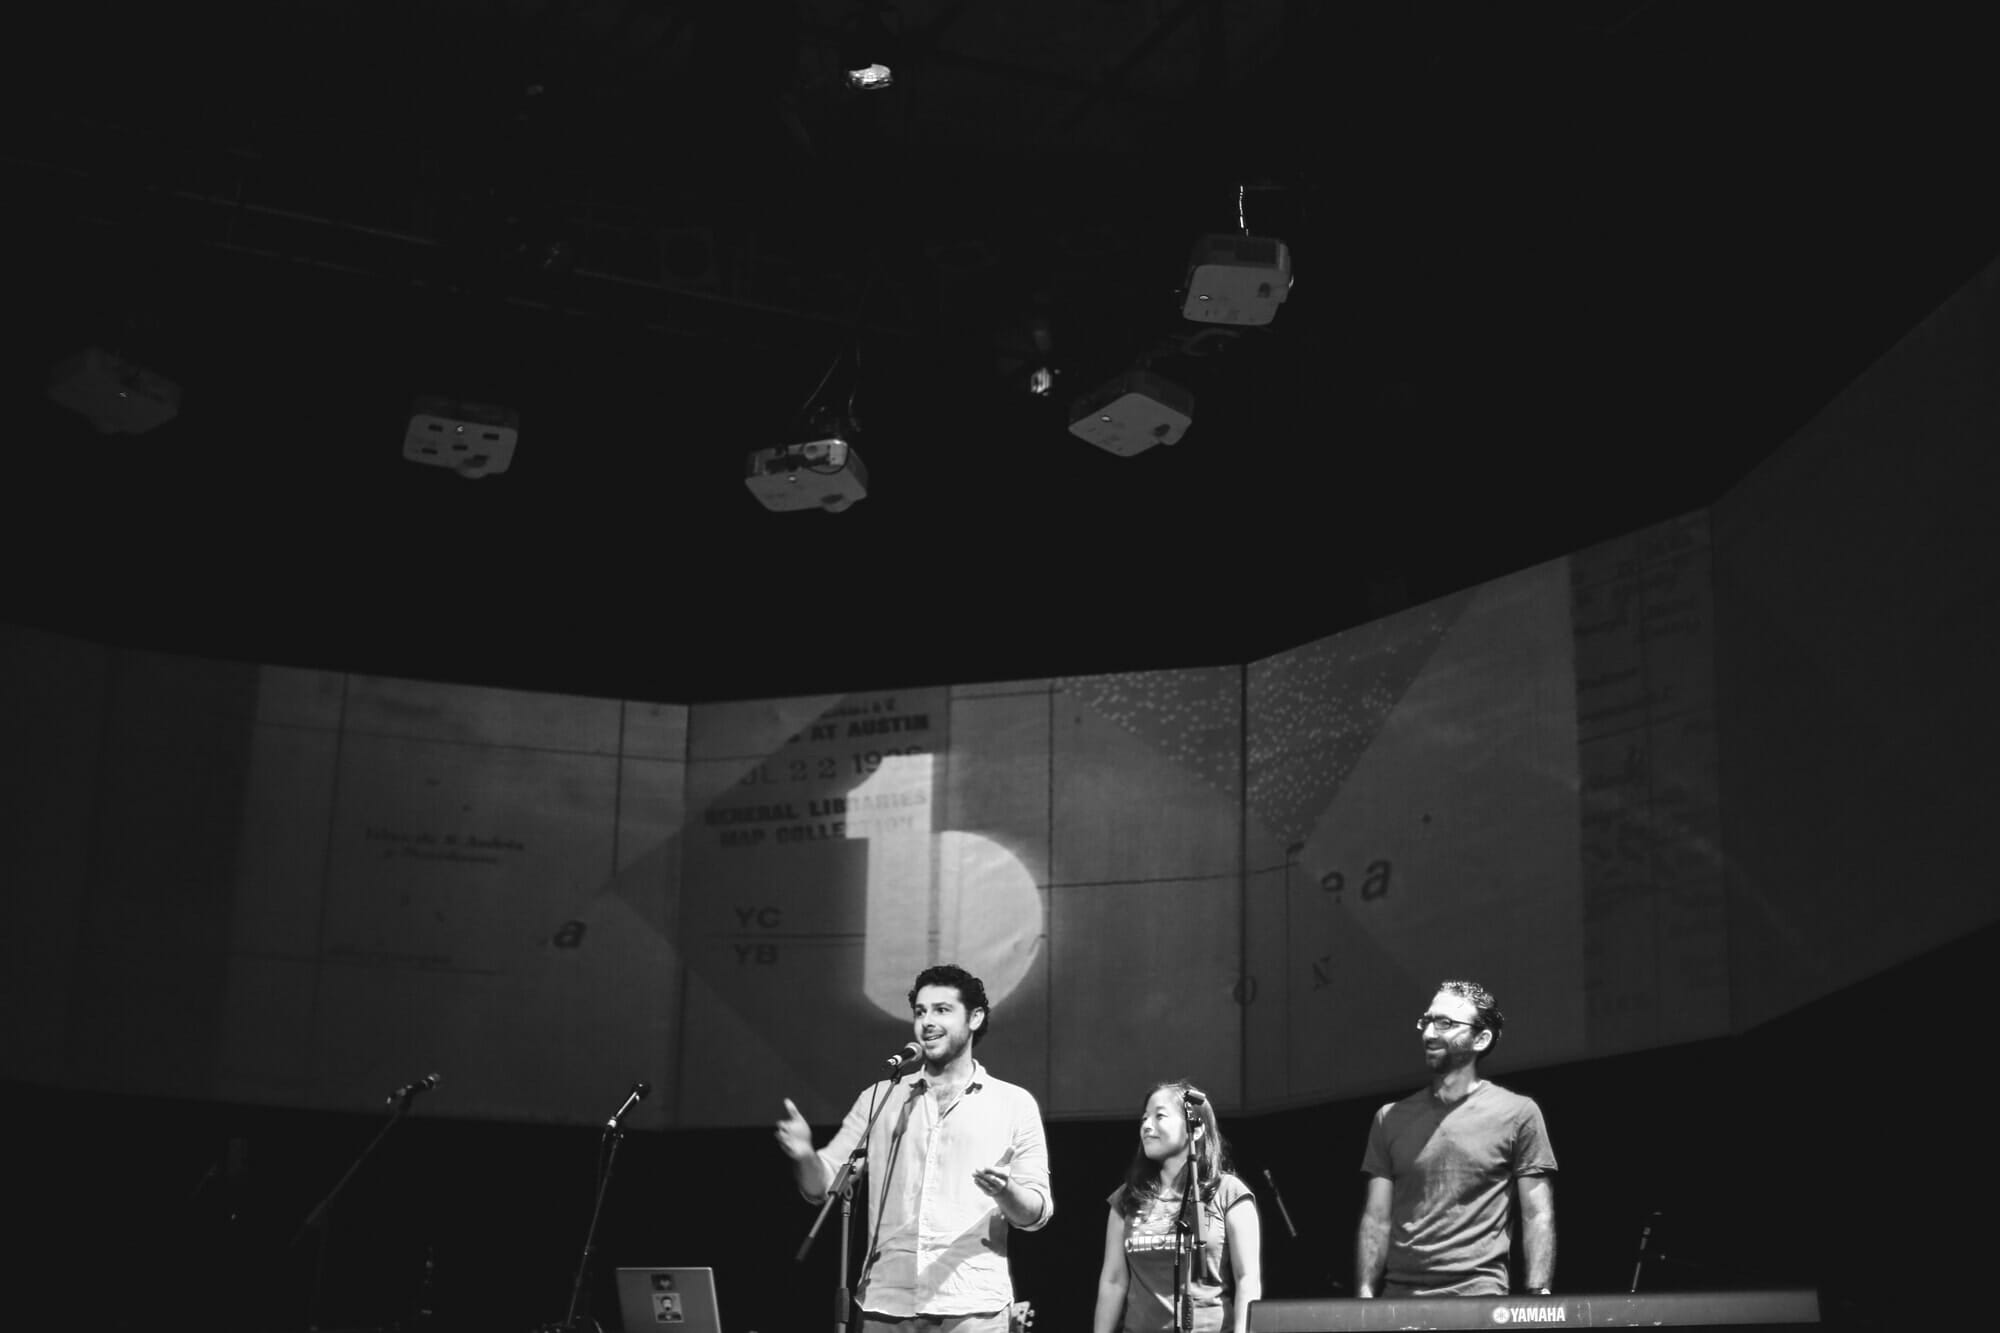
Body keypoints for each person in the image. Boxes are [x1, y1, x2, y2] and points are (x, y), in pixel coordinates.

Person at [776, 963, 1052, 1333]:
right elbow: (822, 1186)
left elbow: (1036, 1214)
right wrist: (805, 1155)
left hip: (972, 1307)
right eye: (920, 1012)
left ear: (975, 1018)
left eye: (942, 1010)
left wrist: (1006, 1191)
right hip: (886, 1303)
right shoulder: (880, 1098)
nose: (927, 1022)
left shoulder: (1012, 1104)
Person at [1354, 980, 1556, 1298]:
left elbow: (1537, 1212)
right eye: (1427, 1021)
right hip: (1399, 1300)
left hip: (1479, 1297)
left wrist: (1538, 1291)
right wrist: (1365, 1297)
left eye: (1445, 1023)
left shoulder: (1518, 1113)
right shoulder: (1389, 1118)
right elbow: (1376, 1217)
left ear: (1481, 1039)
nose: (1429, 1033)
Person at [1092, 1081, 1262, 1333]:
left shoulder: (1229, 1192)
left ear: (1196, 1129)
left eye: (1159, 1116)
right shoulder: (1127, 1198)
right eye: (1144, 1118)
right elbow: (1113, 1281)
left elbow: (1247, 1279)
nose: (1146, 1126)